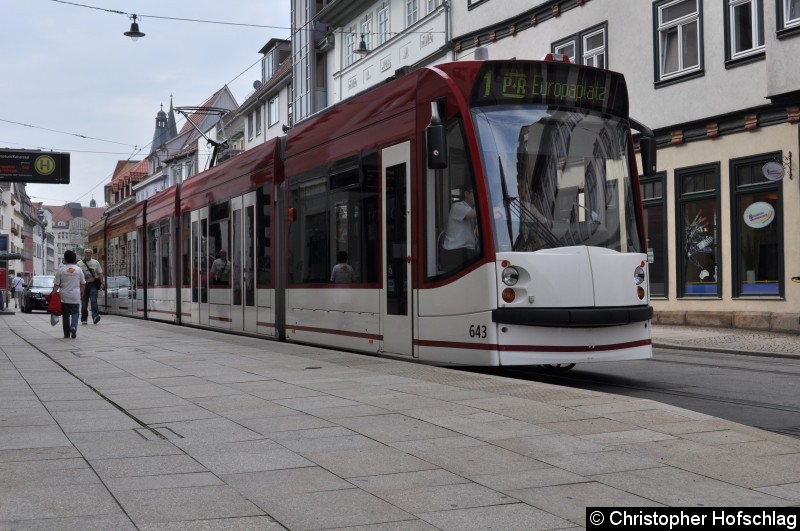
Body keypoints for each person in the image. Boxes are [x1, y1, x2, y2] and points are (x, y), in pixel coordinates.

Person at [441, 184, 478, 270]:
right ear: (466, 193)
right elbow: (473, 214)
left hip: (468, 250)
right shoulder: (458, 206)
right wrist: (494, 208)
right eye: (474, 192)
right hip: (455, 251)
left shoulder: (474, 208)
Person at [51, 250, 85, 339]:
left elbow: (56, 285)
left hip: (64, 296)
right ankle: (73, 326)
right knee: (75, 313)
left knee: (65, 315)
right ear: (74, 259)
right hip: (75, 295)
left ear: (65, 259)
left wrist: (53, 295)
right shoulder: (78, 270)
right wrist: (82, 292)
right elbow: (83, 283)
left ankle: (66, 334)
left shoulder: (61, 270)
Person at [78, 249, 103, 325]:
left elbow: (100, 273)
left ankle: (95, 316)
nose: (88, 254)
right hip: (84, 285)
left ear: (91, 254)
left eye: (89, 253)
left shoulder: (96, 262)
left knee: (93, 300)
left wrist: (102, 283)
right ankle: (84, 319)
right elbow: (77, 275)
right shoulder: (79, 264)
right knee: (84, 303)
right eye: (86, 253)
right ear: (84, 254)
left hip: (93, 284)